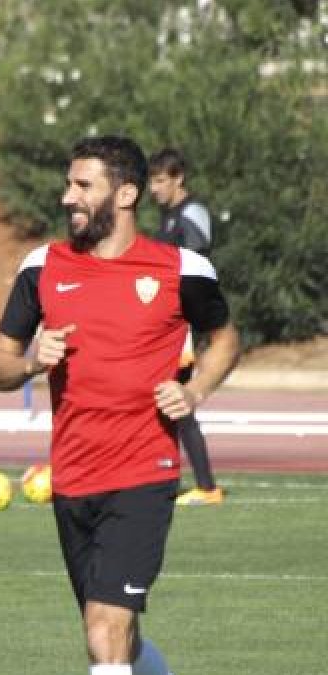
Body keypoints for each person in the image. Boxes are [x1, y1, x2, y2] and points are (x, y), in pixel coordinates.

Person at [0, 136, 240, 675]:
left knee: (106, 629)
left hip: (143, 472)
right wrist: (33, 361)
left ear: (125, 193)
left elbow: (224, 339)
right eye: (68, 184)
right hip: (73, 476)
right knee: (111, 636)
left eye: (82, 186)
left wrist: (193, 392)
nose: (67, 197)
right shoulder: (41, 267)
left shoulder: (182, 268)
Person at [148, 147, 223, 505]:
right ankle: (165, 478)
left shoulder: (191, 212)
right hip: (164, 323)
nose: (154, 188)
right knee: (163, 402)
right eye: (152, 180)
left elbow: (196, 260)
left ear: (179, 179)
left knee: (178, 401)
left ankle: (207, 487)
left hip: (182, 326)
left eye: (161, 180)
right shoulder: (167, 217)